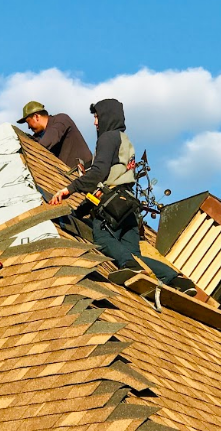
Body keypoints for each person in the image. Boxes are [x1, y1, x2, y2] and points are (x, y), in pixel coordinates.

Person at [49, 99, 196, 295]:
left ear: (106, 116)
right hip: (128, 207)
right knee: (133, 254)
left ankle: (129, 265)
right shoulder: (125, 141)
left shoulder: (107, 138)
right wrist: (79, 211)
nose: (95, 123)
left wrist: (68, 189)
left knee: (101, 239)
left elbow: (99, 174)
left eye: (97, 117)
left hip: (112, 207)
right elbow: (110, 183)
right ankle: (174, 278)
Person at [17, 101, 93, 169]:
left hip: (86, 172)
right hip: (65, 178)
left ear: (36, 117)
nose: (28, 127)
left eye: (28, 122)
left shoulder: (61, 120)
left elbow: (48, 140)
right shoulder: (38, 136)